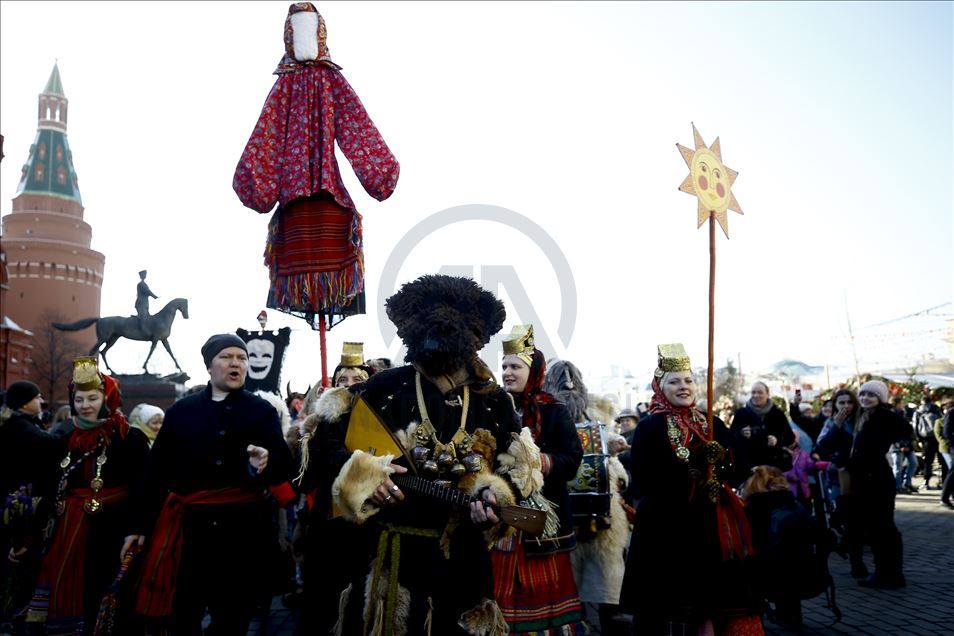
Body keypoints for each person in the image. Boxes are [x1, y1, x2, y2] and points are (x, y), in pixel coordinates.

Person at [316, 275, 531, 635]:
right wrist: (367, 476)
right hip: (393, 555)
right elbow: (321, 448)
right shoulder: (382, 387)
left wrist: (496, 497)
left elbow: (519, 469)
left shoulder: (494, 402)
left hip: (464, 557)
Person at [135, 334, 293, 634]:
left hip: (244, 534)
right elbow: (156, 473)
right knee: (183, 616)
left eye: (241, 358)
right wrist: (139, 527)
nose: (236, 363)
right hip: (190, 532)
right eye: (227, 357)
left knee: (233, 619)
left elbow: (285, 467)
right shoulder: (182, 411)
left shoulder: (261, 411)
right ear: (209, 365)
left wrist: (267, 461)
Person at [620, 344, 762, 635]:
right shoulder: (649, 427)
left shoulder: (712, 422)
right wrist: (694, 468)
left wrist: (721, 459)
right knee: (669, 603)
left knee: (709, 601)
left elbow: (740, 468)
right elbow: (644, 479)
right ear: (660, 387)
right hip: (665, 527)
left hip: (709, 523)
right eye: (674, 381)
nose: (683, 387)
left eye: (688, 380)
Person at [26, 358, 150, 634]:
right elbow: (50, 487)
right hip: (65, 533)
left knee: (102, 593)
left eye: (93, 398)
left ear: (108, 397)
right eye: (79, 399)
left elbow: (144, 488)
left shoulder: (130, 439)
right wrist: (31, 535)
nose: (85, 405)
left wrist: (137, 528)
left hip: (112, 532)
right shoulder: (63, 439)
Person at [493, 325, 585, 634]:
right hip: (503, 518)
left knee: (544, 600)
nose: (507, 372)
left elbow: (572, 459)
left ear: (533, 370)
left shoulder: (554, 411)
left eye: (515, 366)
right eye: (504, 366)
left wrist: (541, 462)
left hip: (544, 522)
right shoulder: (491, 408)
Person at [295, 342, 376, 634]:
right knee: (326, 599)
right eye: (343, 381)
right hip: (329, 523)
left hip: (369, 522)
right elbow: (305, 480)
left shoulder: (381, 419)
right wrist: (310, 435)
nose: (350, 386)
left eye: (357, 380)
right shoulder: (321, 425)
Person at [1, 381, 62, 627]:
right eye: (38, 398)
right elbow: (50, 475)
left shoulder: (10, 428)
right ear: (26, 402)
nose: (41, 403)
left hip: (11, 508)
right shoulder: (33, 434)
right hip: (25, 512)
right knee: (22, 577)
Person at [849, 381, 912, 589]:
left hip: (876, 477)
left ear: (881, 398)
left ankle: (890, 574)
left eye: (871, 395)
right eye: (863, 394)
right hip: (866, 477)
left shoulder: (885, 415)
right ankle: (885, 572)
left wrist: (902, 444)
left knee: (883, 527)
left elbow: (906, 430)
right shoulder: (863, 415)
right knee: (877, 528)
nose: (866, 398)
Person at [731, 382, 794, 473]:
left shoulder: (777, 414)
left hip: (773, 466)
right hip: (748, 466)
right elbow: (730, 437)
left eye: (760, 392)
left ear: (767, 394)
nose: (756, 395)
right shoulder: (741, 413)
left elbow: (790, 438)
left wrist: (777, 440)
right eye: (753, 392)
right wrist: (741, 434)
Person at [915, 396, 945, 490]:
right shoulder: (937, 409)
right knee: (942, 461)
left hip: (926, 439)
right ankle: (943, 482)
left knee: (928, 461)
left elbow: (915, 426)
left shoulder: (919, 411)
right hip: (938, 438)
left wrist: (919, 439)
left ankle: (926, 482)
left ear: (922, 401)